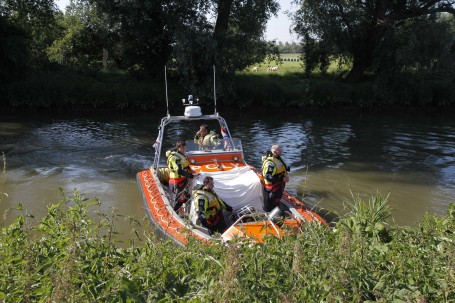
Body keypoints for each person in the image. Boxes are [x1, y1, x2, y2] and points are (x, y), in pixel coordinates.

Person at [166, 140, 194, 212]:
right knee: (177, 199)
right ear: (178, 148)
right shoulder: (175, 158)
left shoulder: (180, 154)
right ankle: (174, 213)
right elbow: (178, 170)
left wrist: (189, 170)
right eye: (183, 148)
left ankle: (184, 209)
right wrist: (190, 175)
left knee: (185, 196)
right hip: (176, 181)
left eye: (185, 148)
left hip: (182, 179)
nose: (185, 150)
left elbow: (185, 164)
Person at [261, 144, 290, 212]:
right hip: (272, 189)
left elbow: (280, 169)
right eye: (280, 150)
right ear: (275, 152)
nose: (282, 152)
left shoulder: (277, 159)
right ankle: (270, 216)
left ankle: (275, 213)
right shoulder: (270, 163)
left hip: (278, 188)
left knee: (276, 201)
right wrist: (281, 178)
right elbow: (268, 177)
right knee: (271, 206)